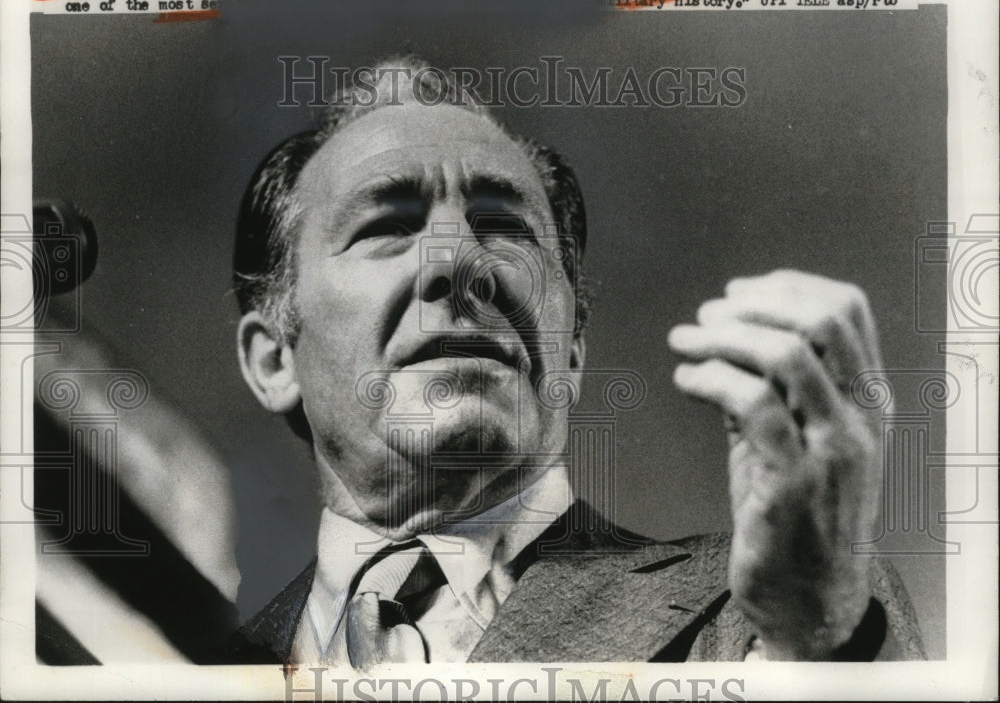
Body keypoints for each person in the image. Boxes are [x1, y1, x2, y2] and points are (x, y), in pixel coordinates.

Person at [230, 56, 924, 665]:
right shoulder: (195, 667)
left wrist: (815, 643)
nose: (464, 262)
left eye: (505, 227)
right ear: (273, 362)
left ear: (570, 350)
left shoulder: (789, 608)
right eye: (387, 226)